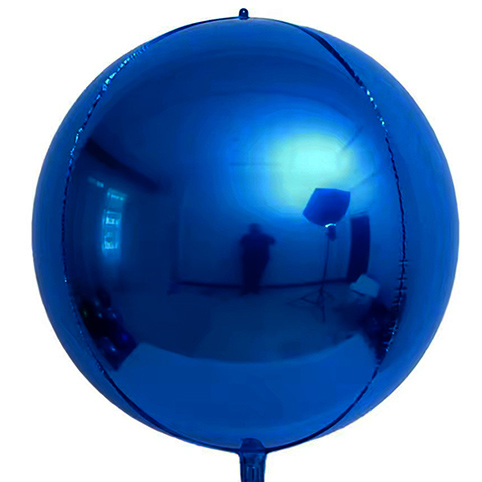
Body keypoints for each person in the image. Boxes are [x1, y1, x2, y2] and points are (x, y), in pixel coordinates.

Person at [240, 223, 275, 294]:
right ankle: (250, 288)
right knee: (249, 274)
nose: (254, 229)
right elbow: (273, 241)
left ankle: (252, 288)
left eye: (255, 227)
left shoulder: (248, 236)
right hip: (251, 258)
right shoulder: (247, 236)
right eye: (253, 227)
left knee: (256, 273)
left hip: (258, 258)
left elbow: (273, 242)